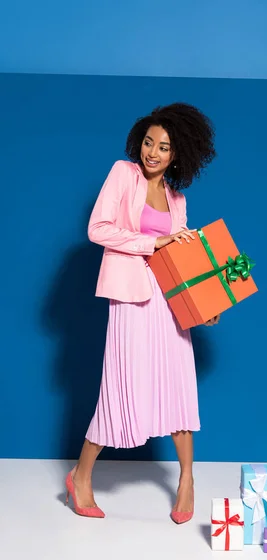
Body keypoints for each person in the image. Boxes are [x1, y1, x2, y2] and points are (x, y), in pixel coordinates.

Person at [65, 103, 218, 523]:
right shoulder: (123, 174)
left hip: (170, 303)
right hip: (132, 298)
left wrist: (206, 305)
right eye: (149, 142)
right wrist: (153, 244)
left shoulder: (176, 196)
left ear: (177, 154)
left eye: (164, 147)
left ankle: (187, 480)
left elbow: (184, 258)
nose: (153, 152)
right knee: (121, 387)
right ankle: (80, 476)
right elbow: (98, 229)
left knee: (179, 385)